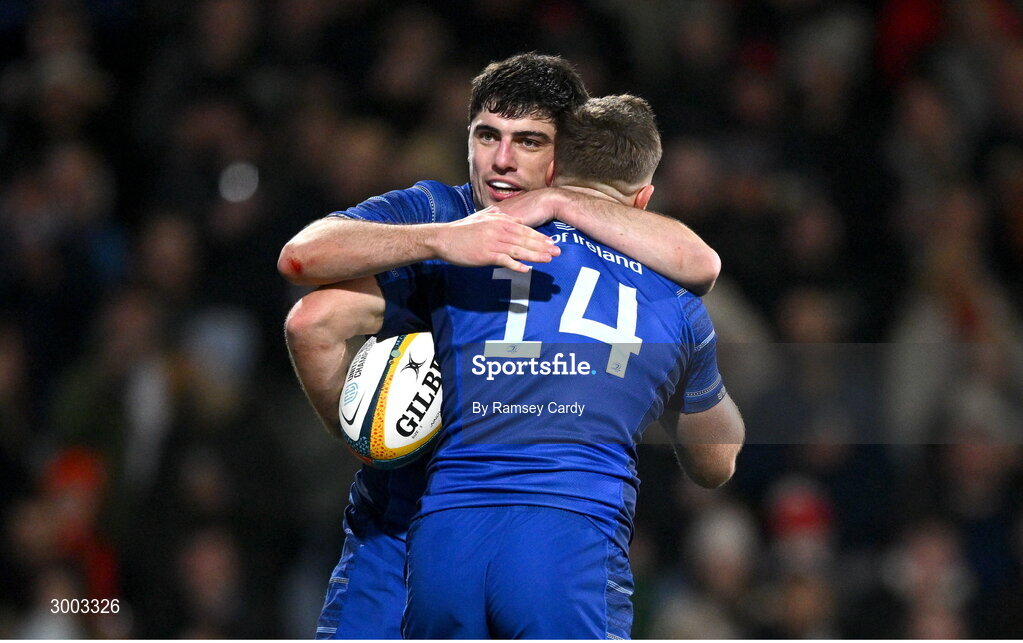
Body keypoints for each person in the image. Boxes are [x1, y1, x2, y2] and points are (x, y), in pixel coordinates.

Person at [277, 54, 721, 639]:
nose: (502, 159)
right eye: (487, 136)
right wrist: (442, 240)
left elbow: (312, 323)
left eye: (528, 141)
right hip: (518, 537)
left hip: (418, 541)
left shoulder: (575, 232)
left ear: (565, 155)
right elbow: (302, 261)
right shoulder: (445, 213)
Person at [395, 94, 744, 638]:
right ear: (644, 199)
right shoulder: (677, 305)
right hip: (569, 544)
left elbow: (314, 320)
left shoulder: (467, 247)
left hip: (444, 543)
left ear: (553, 167)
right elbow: (715, 462)